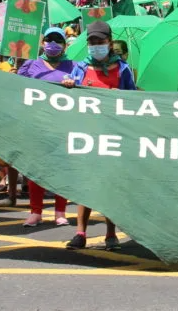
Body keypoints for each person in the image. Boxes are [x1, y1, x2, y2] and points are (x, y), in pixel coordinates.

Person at [64, 20, 137, 250]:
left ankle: (110, 234)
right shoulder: (81, 68)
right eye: (92, 42)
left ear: (109, 42)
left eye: (100, 42)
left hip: (112, 136)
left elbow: (133, 102)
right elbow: (69, 96)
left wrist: (120, 96)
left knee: (110, 187)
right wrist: (67, 85)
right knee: (84, 186)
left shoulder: (123, 69)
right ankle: (80, 233)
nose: (96, 46)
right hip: (86, 134)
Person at [14, 27, 76, 227]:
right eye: (49, 39)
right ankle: (35, 212)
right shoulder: (31, 65)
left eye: (58, 40)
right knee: (35, 170)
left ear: (65, 45)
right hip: (37, 124)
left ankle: (60, 212)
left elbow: (83, 90)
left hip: (63, 125)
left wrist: (73, 85)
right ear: (42, 43)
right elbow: (17, 90)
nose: (53, 44)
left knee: (61, 169)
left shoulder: (73, 66)